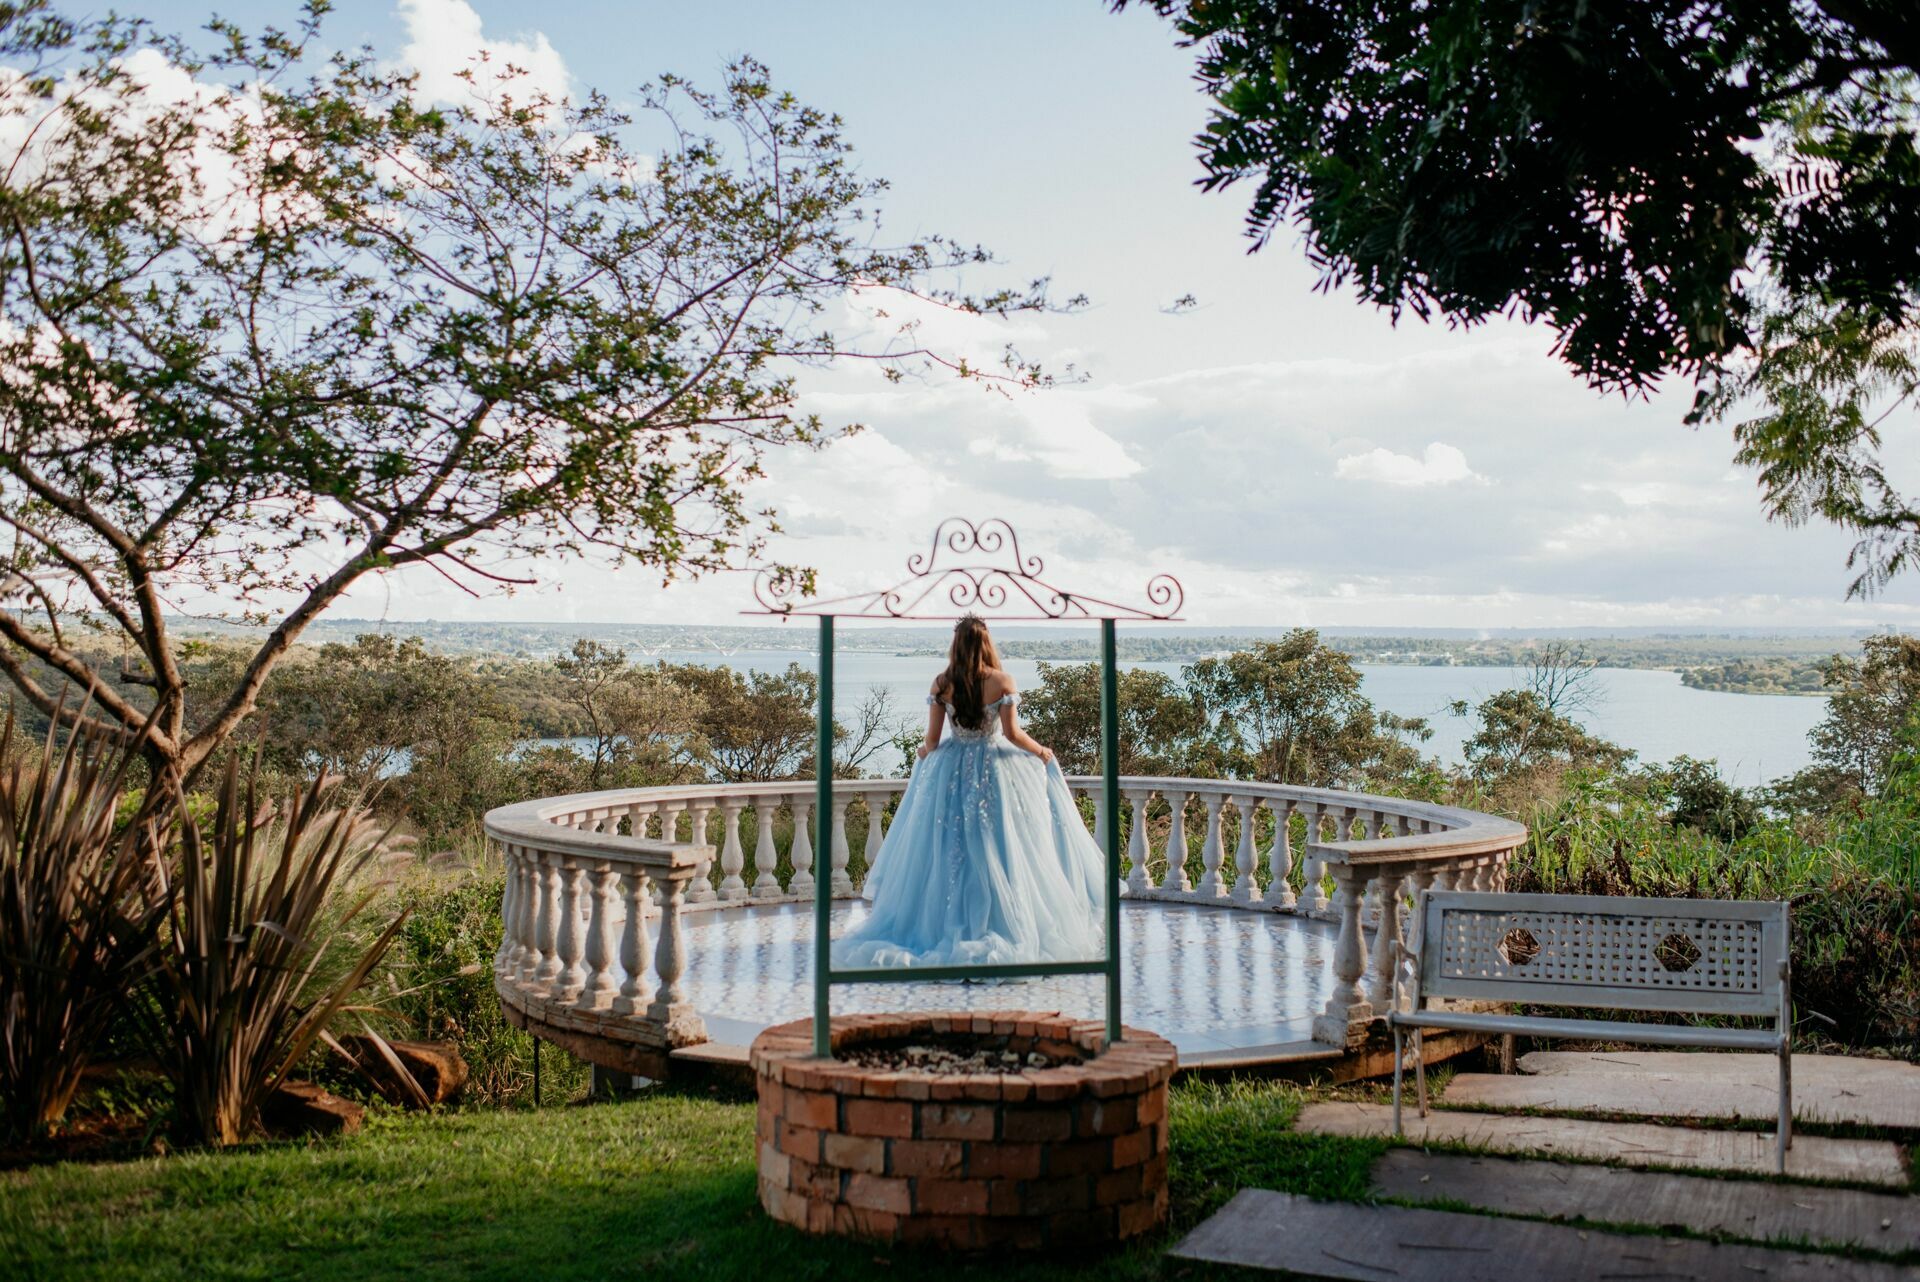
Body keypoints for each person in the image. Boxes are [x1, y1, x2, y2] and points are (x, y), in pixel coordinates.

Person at [832, 614, 1108, 969]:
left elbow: (932, 741)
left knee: (949, 850)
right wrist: (1041, 752)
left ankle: (945, 925)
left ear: (956, 645)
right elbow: (1011, 735)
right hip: (994, 772)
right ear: (986, 643)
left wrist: (922, 755)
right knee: (1001, 846)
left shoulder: (942, 684)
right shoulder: (1002, 682)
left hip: (952, 772)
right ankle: (1000, 921)